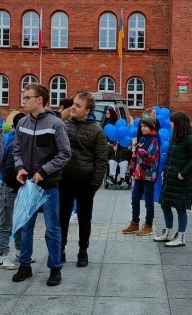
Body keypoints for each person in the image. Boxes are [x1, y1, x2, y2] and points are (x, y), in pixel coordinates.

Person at [11, 84, 71, 287]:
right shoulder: (22, 123)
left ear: (40, 100)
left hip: (49, 185)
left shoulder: (56, 124)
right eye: (24, 96)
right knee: (25, 227)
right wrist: (20, 167)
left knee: (52, 229)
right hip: (28, 184)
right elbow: (16, 150)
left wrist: (44, 171)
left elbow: (65, 153)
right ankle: (24, 265)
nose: (24, 100)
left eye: (28, 97)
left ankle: (55, 268)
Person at [60, 91, 108, 267]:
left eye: (78, 105)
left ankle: (83, 251)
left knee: (84, 219)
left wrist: (94, 185)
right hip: (64, 180)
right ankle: (61, 249)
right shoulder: (63, 125)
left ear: (87, 110)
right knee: (62, 217)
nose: (73, 107)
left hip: (85, 182)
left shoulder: (97, 131)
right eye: (73, 103)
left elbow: (101, 160)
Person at [153, 111, 192, 247]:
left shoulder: (190, 138)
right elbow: (170, 156)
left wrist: (183, 173)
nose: (170, 124)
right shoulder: (175, 136)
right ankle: (168, 231)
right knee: (165, 203)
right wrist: (165, 170)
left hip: (181, 180)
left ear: (179, 123)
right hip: (170, 178)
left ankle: (181, 236)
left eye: (172, 121)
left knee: (180, 207)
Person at [0, 112, 25, 270]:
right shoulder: (15, 144)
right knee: (6, 223)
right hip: (9, 188)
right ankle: (2, 256)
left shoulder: (19, 142)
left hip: (16, 188)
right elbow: (7, 170)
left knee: (19, 221)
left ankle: (20, 251)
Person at [121, 116, 160, 236]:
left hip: (148, 175)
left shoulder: (154, 140)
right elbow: (135, 157)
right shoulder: (142, 138)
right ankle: (135, 222)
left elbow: (149, 156)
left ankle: (148, 225)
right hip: (138, 174)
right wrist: (130, 171)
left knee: (148, 201)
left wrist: (137, 149)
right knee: (134, 199)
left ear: (151, 127)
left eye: (145, 126)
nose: (143, 128)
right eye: (142, 126)